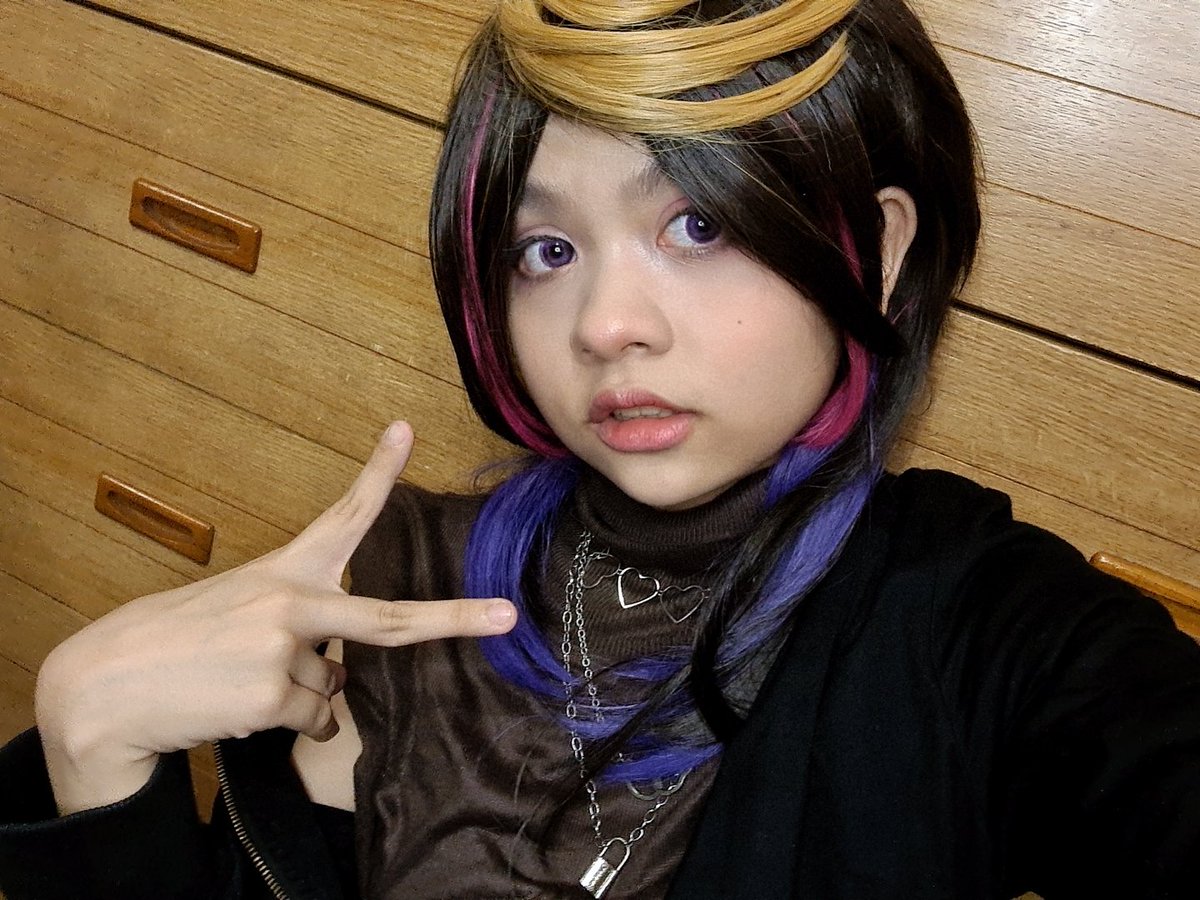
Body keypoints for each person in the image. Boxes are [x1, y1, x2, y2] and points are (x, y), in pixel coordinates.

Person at [2, 0, 1198, 897]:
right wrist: (91, 747)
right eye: (547, 252)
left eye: (698, 222)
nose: (604, 325)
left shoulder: (973, 627)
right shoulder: (396, 595)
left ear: (875, 254)